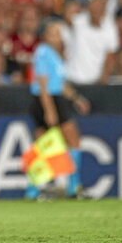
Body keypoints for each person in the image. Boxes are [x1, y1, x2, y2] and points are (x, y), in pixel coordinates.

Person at [27, 21, 90, 199]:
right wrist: (50, 110)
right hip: (47, 100)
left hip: (51, 99)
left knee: (41, 146)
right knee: (73, 140)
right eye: (53, 33)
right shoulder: (42, 53)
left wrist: (76, 98)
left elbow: (60, 83)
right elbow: (43, 84)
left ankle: (33, 190)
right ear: (46, 36)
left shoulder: (55, 55)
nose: (58, 36)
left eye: (59, 33)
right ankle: (73, 187)